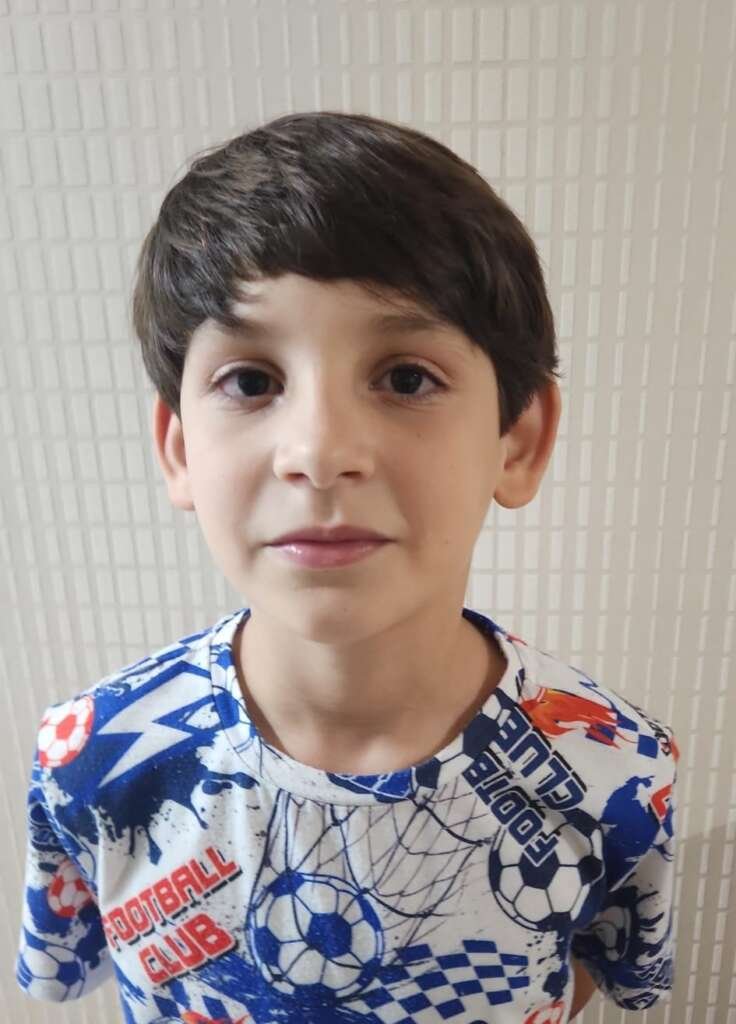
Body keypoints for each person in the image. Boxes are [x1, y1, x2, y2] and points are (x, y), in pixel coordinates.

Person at [15, 111, 678, 1024]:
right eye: (251, 381)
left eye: (405, 378)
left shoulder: (615, 769)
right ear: (178, 449)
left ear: (518, 440)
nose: (320, 453)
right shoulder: (90, 757)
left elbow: (594, 974)